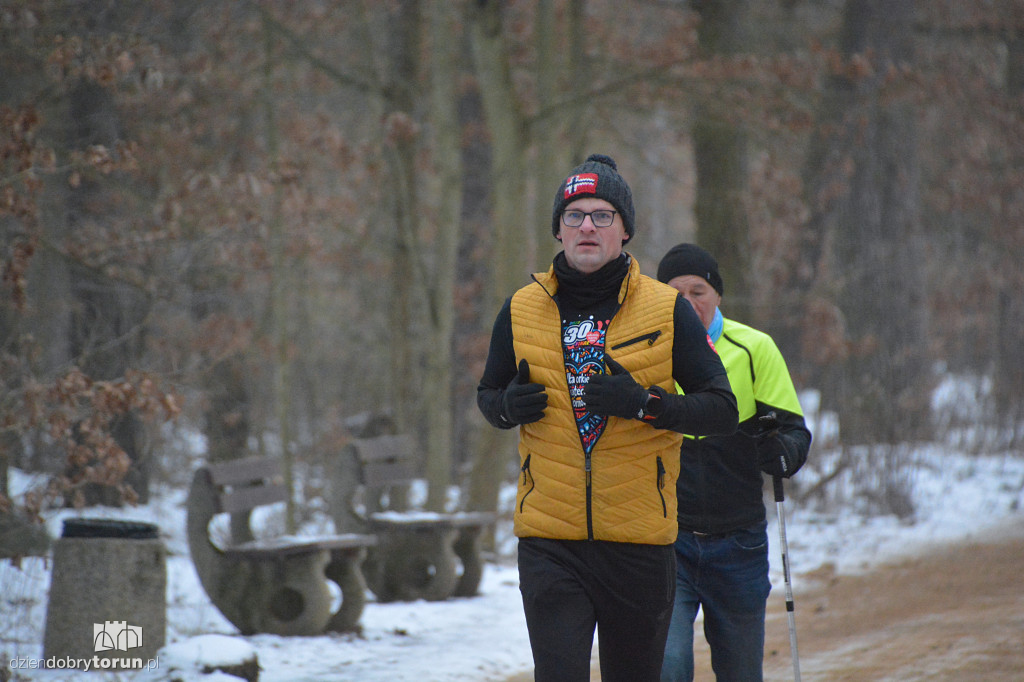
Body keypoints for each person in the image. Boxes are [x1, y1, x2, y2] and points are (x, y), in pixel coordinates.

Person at [476, 155, 738, 682]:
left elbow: (721, 409)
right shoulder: (521, 308)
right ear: (558, 230)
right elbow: (487, 394)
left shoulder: (667, 309)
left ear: (625, 230)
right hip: (550, 539)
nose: (587, 226)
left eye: (602, 214)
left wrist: (644, 403)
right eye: (574, 215)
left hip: (638, 541)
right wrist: (507, 407)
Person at [656, 243, 812, 682]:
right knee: (668, 667)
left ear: (718, 295)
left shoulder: (753, 348)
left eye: (698, 291)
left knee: (741, 671)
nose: (688, 302)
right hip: (669, 541)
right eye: (675, 293)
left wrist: (782, 451)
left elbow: (794, 432)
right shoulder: (647, 354)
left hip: (739, 543)